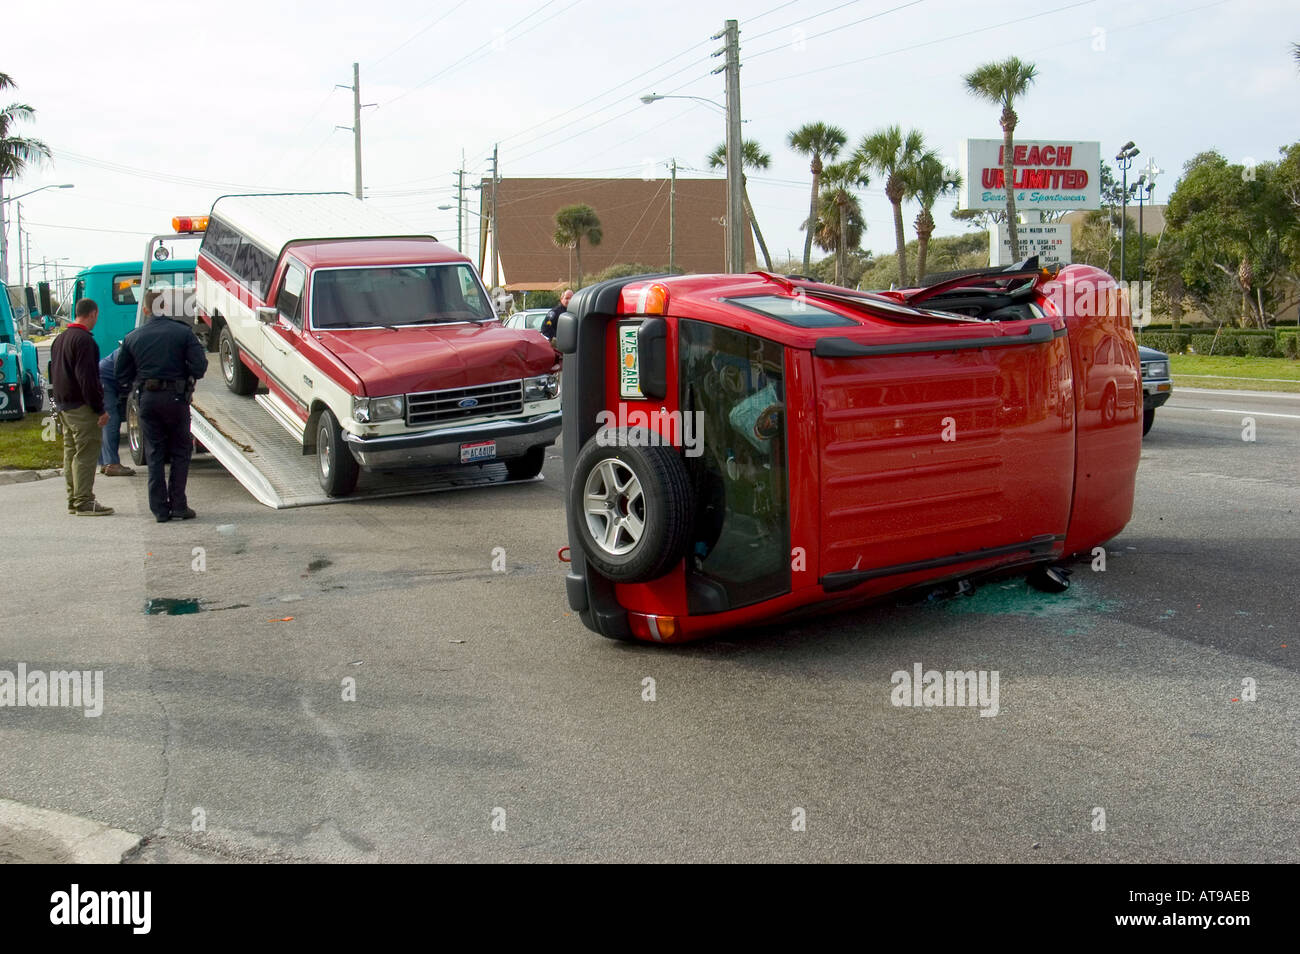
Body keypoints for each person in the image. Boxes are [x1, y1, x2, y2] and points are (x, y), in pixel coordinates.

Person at [116, 290, 208, 522]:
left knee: (155, 453)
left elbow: (121, 374)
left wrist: (139, 383)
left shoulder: (133, 337)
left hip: (147, 399)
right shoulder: (183, 333)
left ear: (145, 310)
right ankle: (178, 505)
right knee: (180, 451)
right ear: (165, 307)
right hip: (176, 399)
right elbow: (199, 367)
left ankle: (159, 510)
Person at [50, 299, 114, 515]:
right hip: (82, 407)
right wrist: (100, 409)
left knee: (71, 453)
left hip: (64, 405)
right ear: (93, 313)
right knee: (86, 454)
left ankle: (73, 499)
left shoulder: (60, 339)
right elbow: (88, 379)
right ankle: (84, 501)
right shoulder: (85, 341)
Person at [97, 347, 136, 477]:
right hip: (105, 380)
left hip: (107, 378)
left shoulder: (133, 344)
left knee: (110, 420)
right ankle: (111, 464)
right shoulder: (132, 349)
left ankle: (104, 463)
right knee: (110, 419)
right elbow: (122, 372)